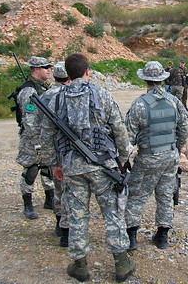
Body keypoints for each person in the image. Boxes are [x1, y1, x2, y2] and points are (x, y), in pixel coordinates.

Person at [39, 53, 135, 283]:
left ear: (67, 74)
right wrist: (123, 158)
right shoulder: (102, 94)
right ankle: (121, 263)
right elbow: (119, 129)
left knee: (78, 215)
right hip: (102, 166)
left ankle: (80, 265)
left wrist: (54, 164)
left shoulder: (55, 99)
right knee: (111, 212)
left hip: (72, 168)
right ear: (87, 71)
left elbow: (46, 135)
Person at [125, 61, 188, 252]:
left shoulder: (139, 104)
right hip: (170, 156)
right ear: (162, 79)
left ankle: (131, 237)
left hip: (148, 157)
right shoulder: (174, 101)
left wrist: (123, 161)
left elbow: (127, 138)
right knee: (165, 195)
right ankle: (162, 236)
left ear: (145, 79)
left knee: (136, 195)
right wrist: (176, 148)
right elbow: (185, 127)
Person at [15, 55, 54, 220]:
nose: (49, 71)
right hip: (33, 139)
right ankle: (28, 204)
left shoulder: (43, 88)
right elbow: (29, 120)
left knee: (48, 168)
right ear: (37, 69)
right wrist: (38, 141)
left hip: (45, 136)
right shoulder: (28, 91)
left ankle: (50, 198)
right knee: (31, 169)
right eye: (46, 68)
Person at [39, 61, 71, 247]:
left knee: (58, 188)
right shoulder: (69, 95)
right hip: (68, 149)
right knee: (71, 190)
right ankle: (68, 229)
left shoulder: (45, 96)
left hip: (53, 148)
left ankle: (60, 224)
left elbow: (41, 127)